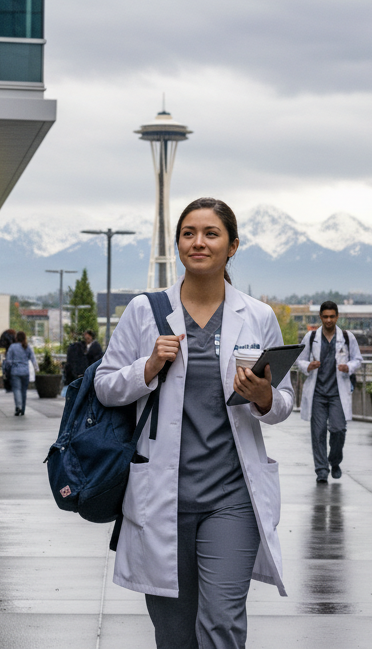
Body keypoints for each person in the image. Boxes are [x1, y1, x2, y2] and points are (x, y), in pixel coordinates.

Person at [95, 197, 293, 649]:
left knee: (222, 623)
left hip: (233, 496)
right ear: (178, 243)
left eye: (211, 233)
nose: (198, 242)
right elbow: (106, 386)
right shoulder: (144, 312)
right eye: (188, 233)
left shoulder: (257, 316)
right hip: (162, 496)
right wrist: (146, 369)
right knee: (175, 634)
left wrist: (263, 397)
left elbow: (283, 402)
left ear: (233, 246)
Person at [294, 301, 363, 483]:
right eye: (325, 316)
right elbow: (299, 360)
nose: (329, 320)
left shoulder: (347, 337)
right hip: (317, 393)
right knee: (318, 433)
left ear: (337, 316)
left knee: (338, 429)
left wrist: (348, 366)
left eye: (332, 316)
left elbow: (358, 359)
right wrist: (308, 365)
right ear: (320, 317)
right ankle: (322, 470)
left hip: (337, 394)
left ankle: (334, 461)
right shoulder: (311, 337)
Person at [3, 330, 37, 416]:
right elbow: (33, 358)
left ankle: (18, 406)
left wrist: (6, 369)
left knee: (16, 390)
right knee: (23, 391)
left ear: (16, 338)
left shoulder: (12, 347)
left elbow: (8, 360)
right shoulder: (27, 347)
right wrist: (36, 368)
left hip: (15, 372)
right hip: (25, 372)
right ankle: (23, 408)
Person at [0, 327, 17, 393]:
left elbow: (1, 345)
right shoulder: (16, 346)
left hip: (8, 360)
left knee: (7, 372)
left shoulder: (5, 338)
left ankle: (8, 387)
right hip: (13, 361)